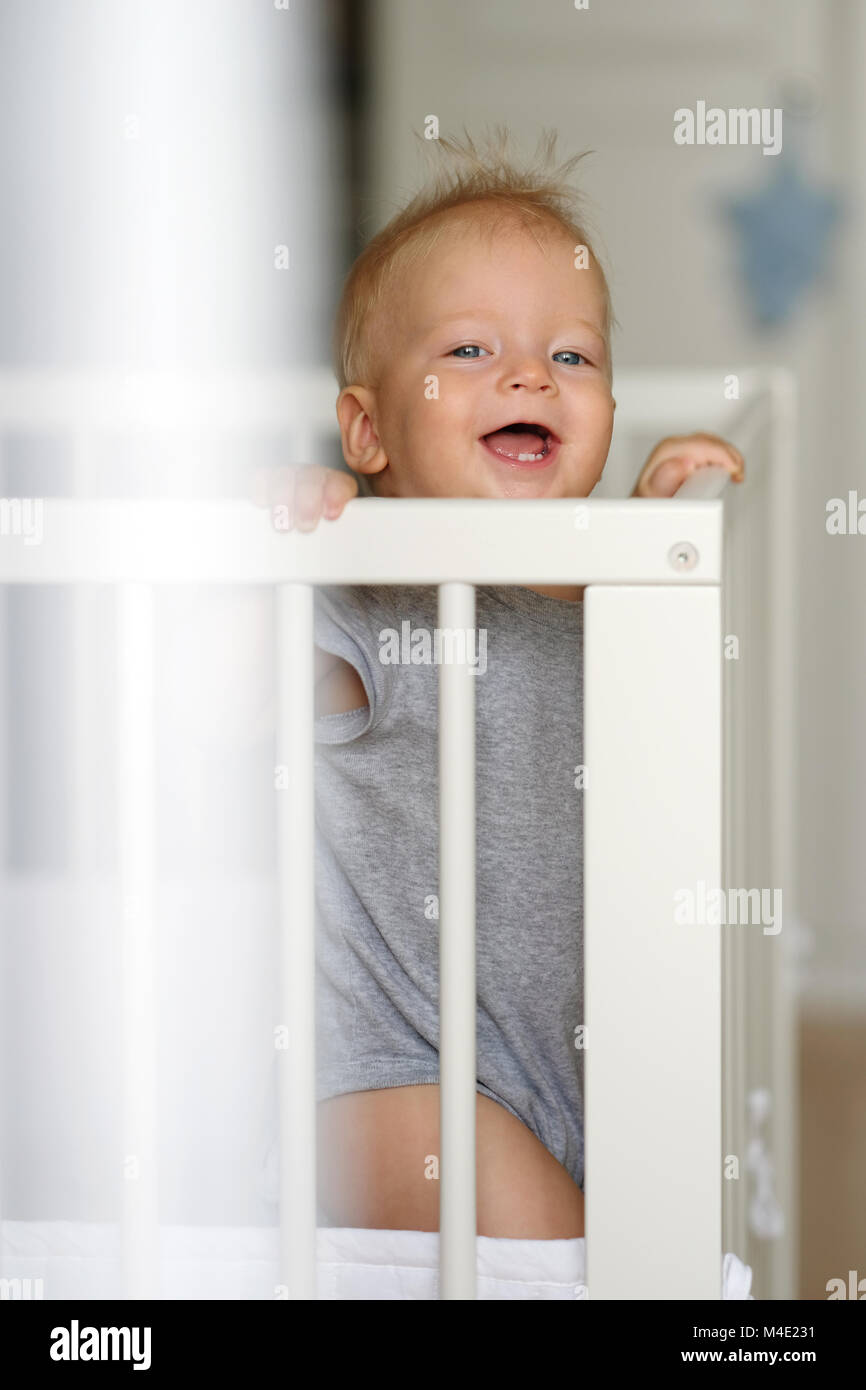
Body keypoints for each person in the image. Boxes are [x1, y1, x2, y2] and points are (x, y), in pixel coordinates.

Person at [258, 127, 743, 1239]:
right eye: (470, 350)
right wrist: (269, 545)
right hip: (393, 1082)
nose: (530, 375)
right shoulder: (366, 600)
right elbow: (205, 689)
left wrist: (652, 533)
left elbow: (640, 697)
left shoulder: (599, 588)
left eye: (571, 357)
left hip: (550, 1073)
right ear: (366, 431)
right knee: (586, 1270)